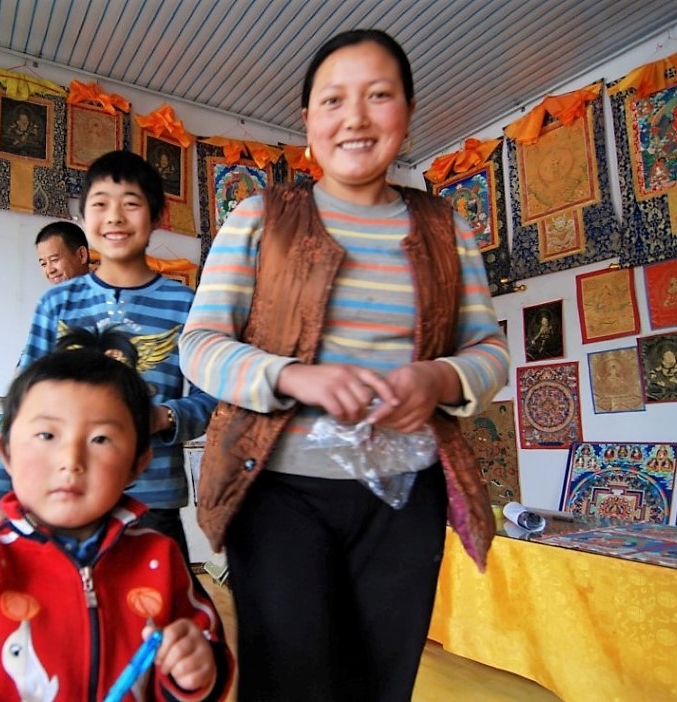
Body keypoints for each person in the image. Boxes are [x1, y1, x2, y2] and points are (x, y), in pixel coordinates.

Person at [179, 28, 509, 700]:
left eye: (378, 96)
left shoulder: (449, 230)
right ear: (307, 123)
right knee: (289, 679)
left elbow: (490, 351)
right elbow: (200, 345)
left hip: (405, 496)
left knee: (381, 680)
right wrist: (293, 375)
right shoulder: (260, 217)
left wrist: (439, 378)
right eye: (332, 100)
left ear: (406, 114)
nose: (354, 117)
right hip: (278, 491)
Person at [0, 330, 232, 700]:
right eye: (46, 436)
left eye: (100, 439)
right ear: (6, 454)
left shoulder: (160, 559)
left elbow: (201, 651)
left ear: (137, 465)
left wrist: (194, 674)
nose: (71, 461)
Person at [0, 150, 217, 560]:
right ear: (85, 219)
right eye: (100, 204)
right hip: (61, 489)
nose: (114, 217)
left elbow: (211, 398)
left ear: (158, 216)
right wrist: (0, 493)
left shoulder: (187, 304)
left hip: (151, 499)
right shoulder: (58, 303)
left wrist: (165, 416)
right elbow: (22, 403)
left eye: (131, 204)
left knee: (155, 612)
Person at [35, 220, 90, 285]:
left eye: (54, 260)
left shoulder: (102, 291)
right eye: (44, 264)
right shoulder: (54, 294)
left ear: (82, 255)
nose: (50, 271)